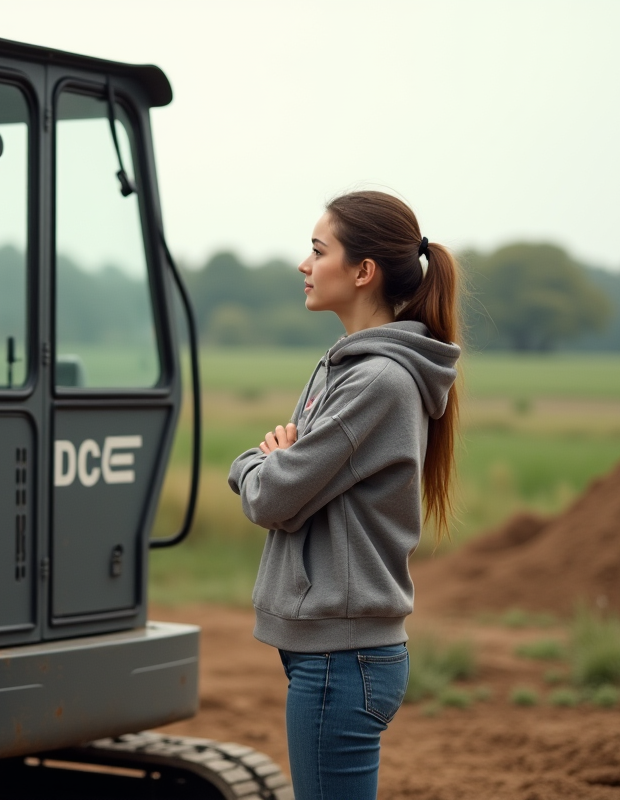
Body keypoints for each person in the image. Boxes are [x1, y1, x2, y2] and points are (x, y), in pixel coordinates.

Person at [227, 190, 462, 800]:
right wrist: (276, 470)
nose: (303, 265)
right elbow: (292, 487)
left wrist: (254, 463)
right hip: (334, 654)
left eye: (317, 250)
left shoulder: (378, 382)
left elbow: (274, 496)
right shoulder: (346, 369)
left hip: (344, 658)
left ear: (363, 271)